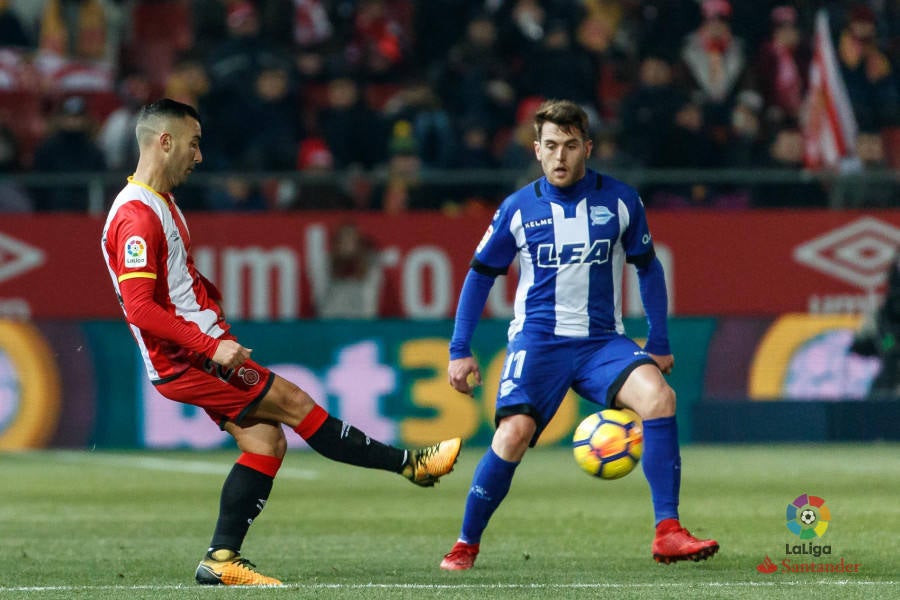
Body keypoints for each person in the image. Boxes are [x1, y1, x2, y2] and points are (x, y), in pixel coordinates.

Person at [100, 99, 461, 586]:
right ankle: (410, 465)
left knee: (265, 441)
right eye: (193, 143)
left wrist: (210, 305)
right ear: (164, 142)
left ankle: (221, 558)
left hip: (197, 351)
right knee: (295, 403)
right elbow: (140, 307)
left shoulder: (158, 203)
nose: (199, 155)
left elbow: (174, 285)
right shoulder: (137, 216)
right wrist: (211, 347)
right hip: (190, 358)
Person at [439, 99, 718, 570]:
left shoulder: (622, 201)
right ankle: (465, 544)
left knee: (659, 399)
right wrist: (459, 349)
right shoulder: (517, 208)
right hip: (538, 342)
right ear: (536, 150)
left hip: (601, 343)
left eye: (570, 145)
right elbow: (480, 274)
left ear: (588, 147)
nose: (560, 157)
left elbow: (647, 270)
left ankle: (667, 531)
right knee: (513, 435)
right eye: (551, 146)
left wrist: (660, 341)